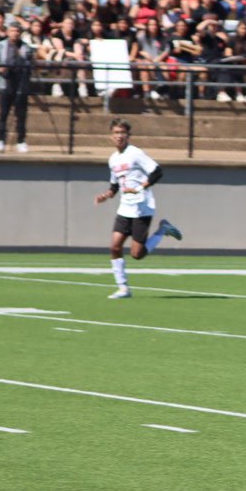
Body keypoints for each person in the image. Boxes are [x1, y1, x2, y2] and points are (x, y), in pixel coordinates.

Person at [94, 118, 183, 300]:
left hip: (142, 206)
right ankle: (123, 288)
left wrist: (140, 187)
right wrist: (106, 195)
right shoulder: (113, 159)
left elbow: (157, 171)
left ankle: (162, 230)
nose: (119, 136)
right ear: (111, 136)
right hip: (124, 208)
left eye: (123, 133)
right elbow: (115, 186)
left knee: (137, 254)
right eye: (116, 133)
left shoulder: (135, 153)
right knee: (115, 246)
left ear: (128, 135)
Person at [0, 22, 35, 154]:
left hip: (21, 84)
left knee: (21, 115)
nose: (14, 33)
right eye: (12, 30)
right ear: (8, 32)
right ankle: (0, 140)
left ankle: (21, 141)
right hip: (5, 83)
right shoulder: (0, 46)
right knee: (3, 114)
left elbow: (32, 63)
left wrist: (29, 61)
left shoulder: (26, 48)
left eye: (17, 31)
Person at [131, 15, 169, 99]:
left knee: (164, 67)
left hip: (158, 60)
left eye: (155, 25)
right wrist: (143, 53)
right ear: (147, 26)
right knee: (145, 66)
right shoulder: (141, 36)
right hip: (145, 60)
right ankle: (147, 92)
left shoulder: (163, 37)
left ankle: (161, 90)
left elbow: (167, 50)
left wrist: (159, 58)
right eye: (151, 25)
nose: (153, 27)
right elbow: (137, 48)